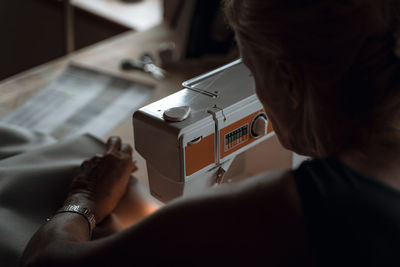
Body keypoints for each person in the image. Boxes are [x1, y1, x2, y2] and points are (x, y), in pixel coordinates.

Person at [20, 0, 400, 266]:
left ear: (288, 81)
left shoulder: (289, 208)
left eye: (252, 70)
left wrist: (85, 197)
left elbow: (45, 262)